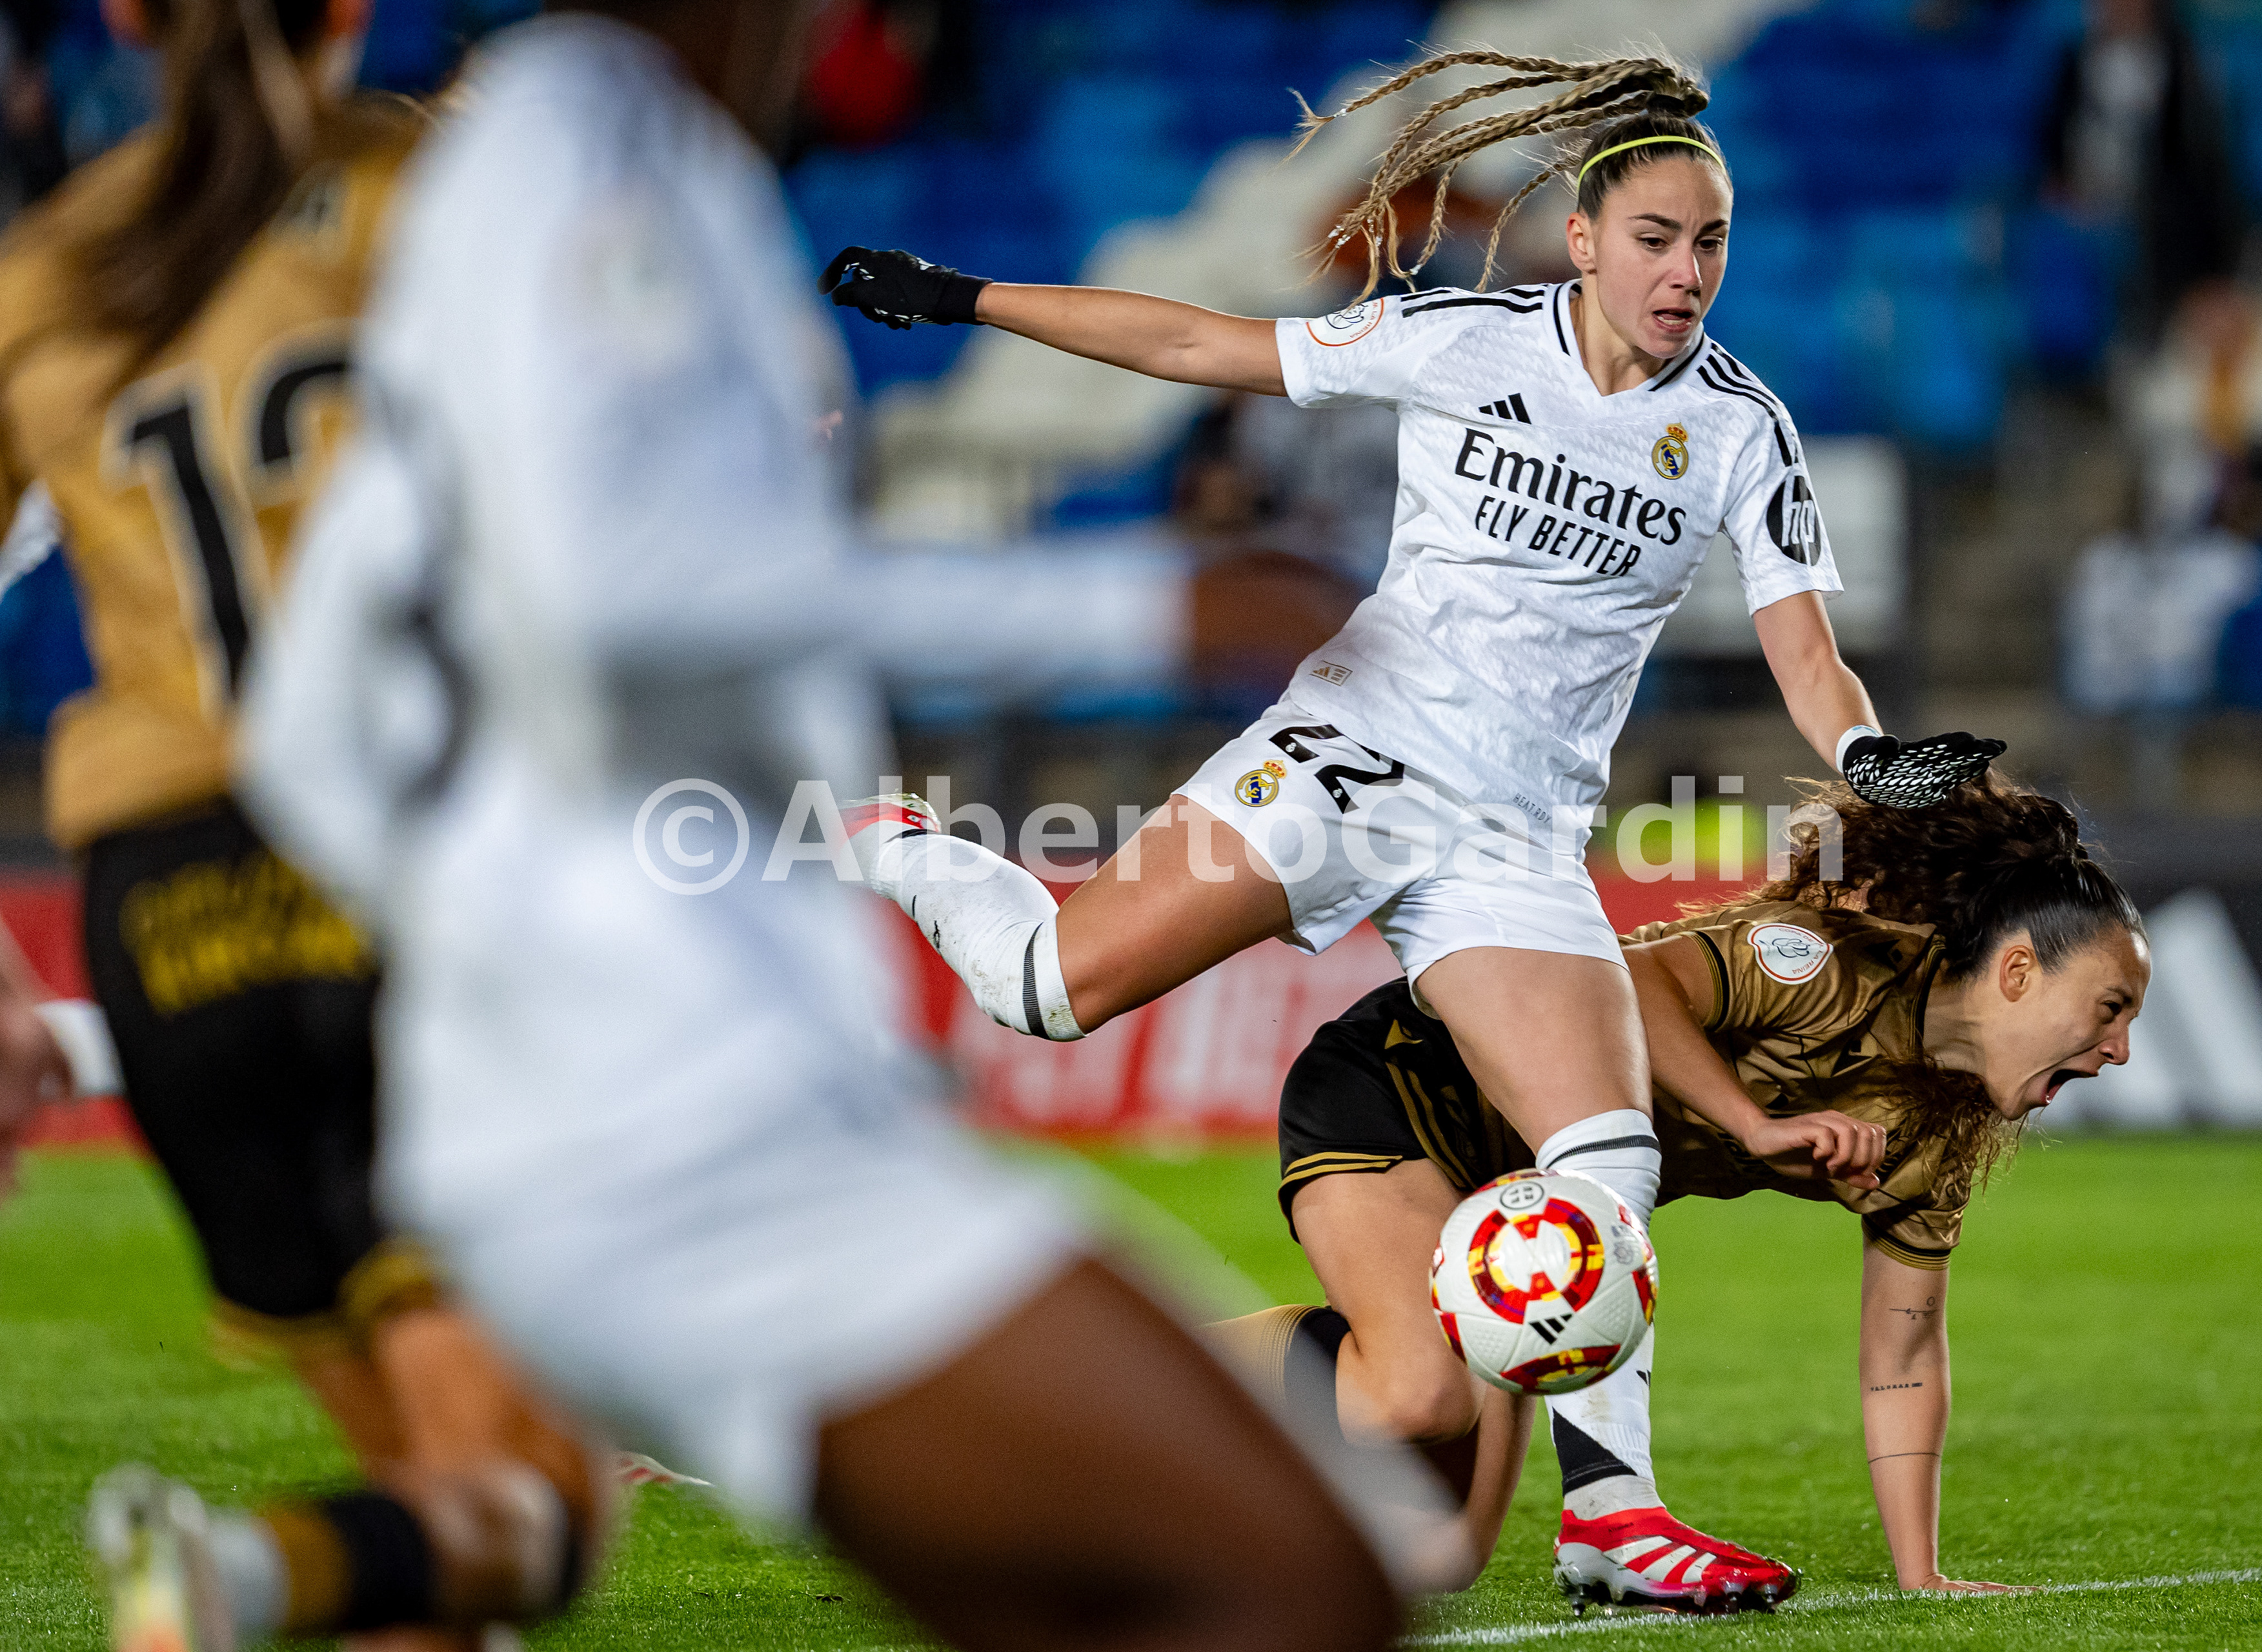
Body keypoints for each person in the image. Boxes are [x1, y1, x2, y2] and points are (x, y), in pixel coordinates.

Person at [119, 3, 1440, 1649]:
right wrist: (1135, 602)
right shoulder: (586, 142)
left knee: (1093, 1594)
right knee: (1297, 1571)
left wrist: (477, 959)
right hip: (694, 1125)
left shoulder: (559, 171)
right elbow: (604, 594)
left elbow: (312, 725)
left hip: (637, 1113)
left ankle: (263, 1575)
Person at [823, 43, 2002, 1592]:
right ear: (1582, 238)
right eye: (1656, 238)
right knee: (1047, 988)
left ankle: (1613, 1522)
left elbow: (1807, 654)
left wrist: (1867, 755)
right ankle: (902, 839)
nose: (1686, 272)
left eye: (1711, 242)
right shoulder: (1461, 338)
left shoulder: (1740, 429)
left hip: (1517, 832)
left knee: (1605, 1144)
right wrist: (970, 298)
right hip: (1353, 755)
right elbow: (1196, 341)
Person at [0, 5, 609, 1650]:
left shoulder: (43, 272)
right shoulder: (441, 192)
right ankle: (233, 1575)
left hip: (168, 910)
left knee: (426, 1513)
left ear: (124, 16)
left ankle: (282, 1573)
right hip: (406, 868)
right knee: (538, 1501)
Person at [1267, 771, 2150, 1608]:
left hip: (1530, 1213)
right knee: (1418, 1397)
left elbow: (1904, 1360)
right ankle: (1186, 1369)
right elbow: (1630, 982)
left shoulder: (1936, 1137)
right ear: (2019, 972)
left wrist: (1921, 1574)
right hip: (1405, 1082)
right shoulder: (1826, 964)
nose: (2119, 1051)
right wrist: (1752, 1124)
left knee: (1442, 1561)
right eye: (2110, 1008)